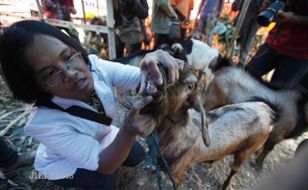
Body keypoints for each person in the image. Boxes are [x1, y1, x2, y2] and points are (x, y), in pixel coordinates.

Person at [0, 20, 183, 189]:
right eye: (49, 74)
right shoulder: (44, 123)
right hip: (60, 165)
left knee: (136, 155)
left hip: (100, 138)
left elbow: (141, 79)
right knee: (103, 178)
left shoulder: (96, 67)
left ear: (74, 47)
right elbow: (104, 165)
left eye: (68, 56)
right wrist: (127, 130)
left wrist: (157, 68)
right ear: (34, 85)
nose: (70, 74)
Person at [246, 0, 308, 88]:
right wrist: (268, 6)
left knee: (275, 95)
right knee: (244, 78)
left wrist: (295, 18)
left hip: (300, 54)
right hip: (275, 42)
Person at [232, 0, 264, 65]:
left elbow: (235, 6)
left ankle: (241, 62)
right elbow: (234, 7)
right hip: (238, 32)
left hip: (240, 31)